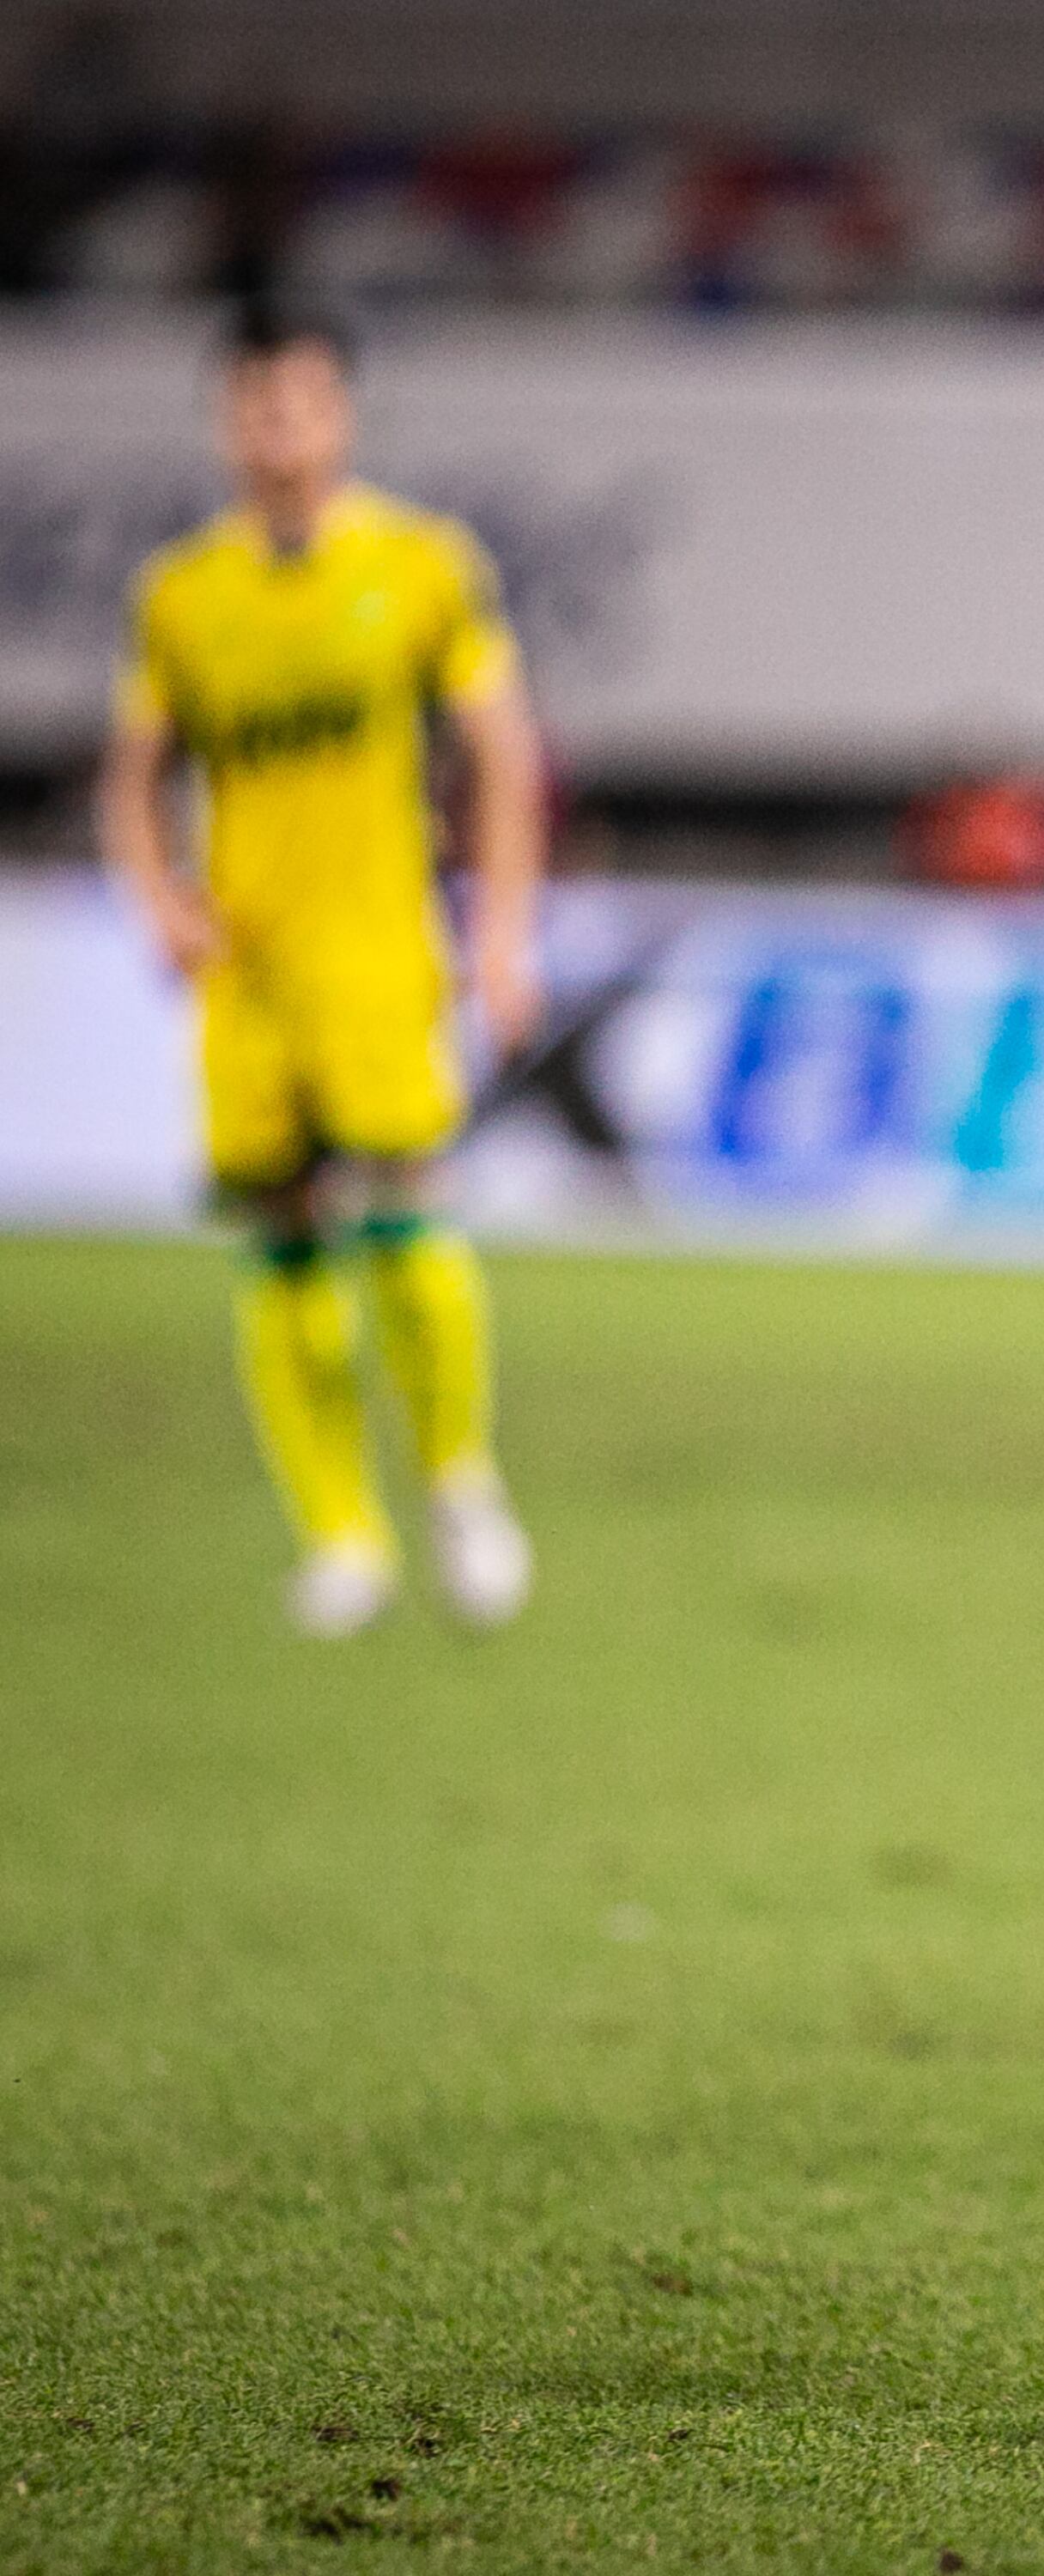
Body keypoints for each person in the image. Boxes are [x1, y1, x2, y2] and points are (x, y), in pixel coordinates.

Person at [99, 298, 544, 1638]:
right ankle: (342, 1534)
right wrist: (157, 898)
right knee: (281, 1233)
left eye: (298, 402)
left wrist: (501, 933)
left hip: (380, 946)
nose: (277, 429)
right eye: (254, 404)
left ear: (340, 416)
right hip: (250, 969)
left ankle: (459, 1483)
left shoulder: (420, 565)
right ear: (225, 422)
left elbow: (503, 754)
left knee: (408, 1210)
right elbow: (134, 776)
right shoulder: (182, 593)